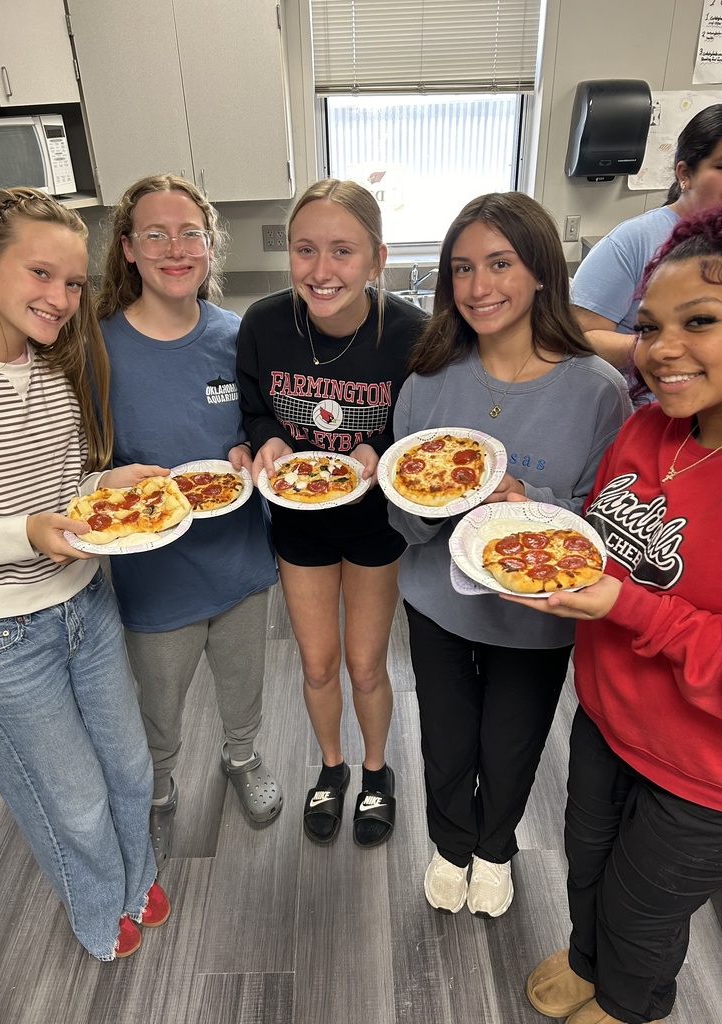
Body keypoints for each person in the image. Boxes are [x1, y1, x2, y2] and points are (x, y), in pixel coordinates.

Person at [388, 192, 631, 918]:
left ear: (540, 274)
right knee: (445, 734)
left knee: (513, 739)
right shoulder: (429, 377)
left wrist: (527, 501)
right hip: (436, 595)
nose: (479, 287)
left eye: (500, 264)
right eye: (461, 269)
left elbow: (608, 524)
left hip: (537, 613)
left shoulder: (599, 391)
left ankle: (496, 847)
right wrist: (431, 500)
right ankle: (448, 842)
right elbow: (404, 516)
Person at [0, 187, 170, 960]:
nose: (61, 298)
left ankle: (136, 871)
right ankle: (97, 907)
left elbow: (65, 488)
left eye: (74, 283)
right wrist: (26, 534)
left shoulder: (56, 366)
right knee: (72, 802)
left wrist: (105, 488)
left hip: (86, 603)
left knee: (129, 766)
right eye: (40, 274)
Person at [519, 209, 722, 1024]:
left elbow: (632, 595)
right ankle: (587, 957)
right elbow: (598, 540)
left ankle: (632, 1003)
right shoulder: (647, 428)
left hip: (699, 768)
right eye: (649, 328)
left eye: (700, 322)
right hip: (605, 716)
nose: (662, 349)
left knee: (647, 911)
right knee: (588, 865)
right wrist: (525, 517)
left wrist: (628, 606)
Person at [96, 174, 281, 870]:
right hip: (154, 571)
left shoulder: (237, 337)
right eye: (156, 234)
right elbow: (86, 457)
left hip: (238, 552)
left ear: (209, 246)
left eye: (190, 234)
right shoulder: (99, 347)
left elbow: (258, 424)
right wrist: (112, 479)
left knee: (244, 678)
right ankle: (161, 789)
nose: (175, 248)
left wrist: (249, 444)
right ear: (129, 249)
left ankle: (242, 757)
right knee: (161, 696)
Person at [236, 178, 427, 847]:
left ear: (376, 258)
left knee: (366, 664)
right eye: (305, 250)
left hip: (376, 524)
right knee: (317, 665)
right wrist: (268, 438)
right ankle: (333, 767)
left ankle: (377, 773)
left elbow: (424, 430)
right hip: (299, 522)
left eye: (342, 252)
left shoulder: (410, 332)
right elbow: (254, 406)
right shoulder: (262, 324)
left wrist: (383, 447)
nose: (322, 271)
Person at [571, 103, 722, 368]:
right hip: (651, 399)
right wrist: (667, 348)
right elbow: (582, 337)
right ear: (685, 174)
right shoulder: (634, 240)